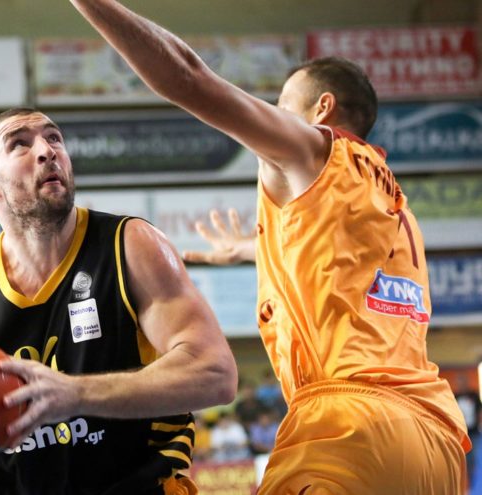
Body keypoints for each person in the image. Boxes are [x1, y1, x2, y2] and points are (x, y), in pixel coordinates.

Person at [68, 1, 471, 493]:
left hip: (351, 425)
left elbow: (188, 77)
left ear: (322, 108)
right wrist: (252, 248)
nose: (275, 115)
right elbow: (339, 266)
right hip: (438, 437)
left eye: (282, 104)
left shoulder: (313, 149)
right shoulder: (392, 202)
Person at [0, 108, 238, 494]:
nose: (47, 150)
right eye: (19, 144)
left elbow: (215, 374)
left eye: (54, 138)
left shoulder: (130, 245)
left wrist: (76, 395)